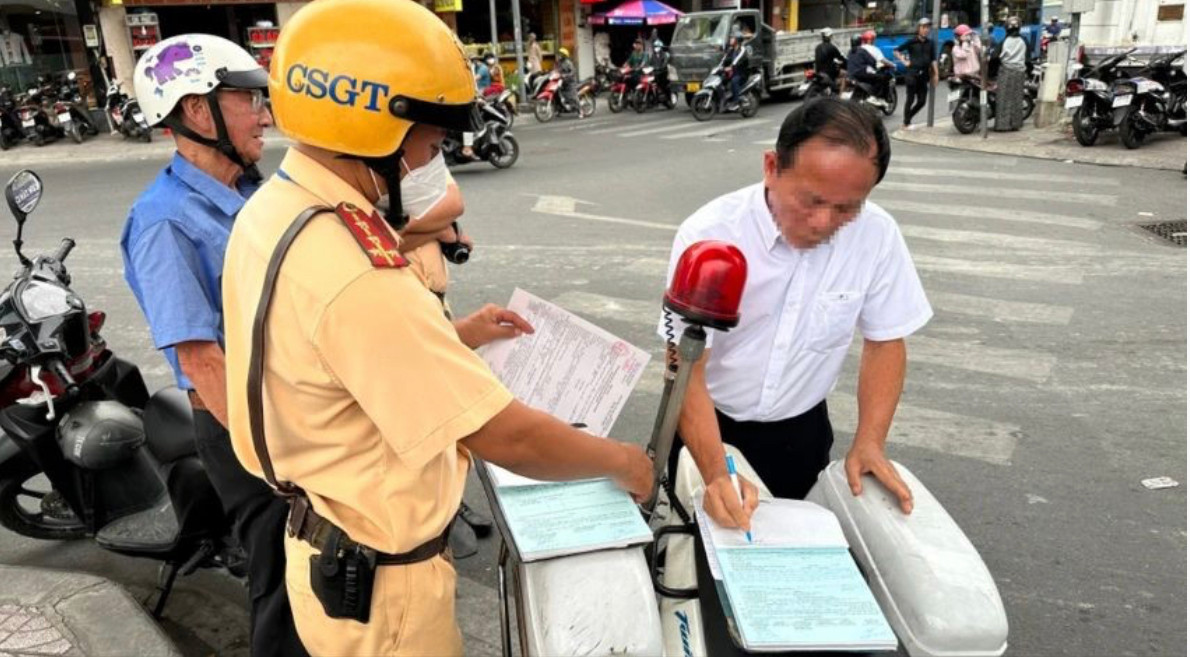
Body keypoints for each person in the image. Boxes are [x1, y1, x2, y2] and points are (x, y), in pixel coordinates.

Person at [222, 1, 654, 654]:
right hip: (386, 595)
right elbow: (507, 435)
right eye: (430, 140)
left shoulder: (278, 209)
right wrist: (625, 462)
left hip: (324, 540)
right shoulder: (353, 268)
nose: (435, 158)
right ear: (373, 130)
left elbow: (333, 362)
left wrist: (460, 334)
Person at [657, 97, 931, 536]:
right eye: (811, 200)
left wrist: (870, 441)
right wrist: (714, 471)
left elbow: (886, 340)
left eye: (846, 208)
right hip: (707, 427)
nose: (824, 222)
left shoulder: (877, 235)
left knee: (791, 562)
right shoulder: (710, 235)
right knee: (697, 561)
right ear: (771, 167)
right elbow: (685, 367)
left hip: (800, 433)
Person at [122, 35, 306, 657]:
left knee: (318, 571)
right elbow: (202, 361)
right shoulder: (164, 220)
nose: (262, 112)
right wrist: (274, 460)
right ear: (197, 111)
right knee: (281, 577)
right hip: (243, 424)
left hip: (293, 407)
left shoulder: (252, 191)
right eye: (247, 98)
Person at [895, 17, 939, 130]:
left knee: (922, 101)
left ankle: (907, 118)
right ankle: (906, 123)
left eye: (928, 28)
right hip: (912, 74)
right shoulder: (912, 41)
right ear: (919, 28)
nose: (926, 30)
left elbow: (933, 59)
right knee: (910, 99)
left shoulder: (931, 43)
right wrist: (904, 61)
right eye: (924, 27)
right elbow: (896, 50)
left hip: (924, 75)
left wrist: (936, 74)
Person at [995, 16, 1027, 131]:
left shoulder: (1004, 42)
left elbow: (995, 56)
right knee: (1017, 99)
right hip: (1020, 72)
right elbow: (1028, 58)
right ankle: (1015, 124)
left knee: (1003, 99)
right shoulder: (1024, 41)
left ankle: (1002, 125)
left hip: (1005, 72)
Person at [847, 30, 892, 107]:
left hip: (851, 76)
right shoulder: (862, 51)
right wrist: (876, 66)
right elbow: (872, 61)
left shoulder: (850, 51)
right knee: (882, 78)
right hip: (862, 75)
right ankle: (873, 97)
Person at [720, 35, 749, 110]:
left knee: (734, 81)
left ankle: (736, 102)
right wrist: (719, 66)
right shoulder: (731, 49)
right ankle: (725, 100)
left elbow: (737, 60)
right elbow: (724, 59)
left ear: (737, 41)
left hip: (742, 73)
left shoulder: (742, 49)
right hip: (733, 72)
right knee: (721, 80)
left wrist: (731, 67)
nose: (730, 40)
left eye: (733, 38)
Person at [556, 46, 579, 111]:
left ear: (564, 55)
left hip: (570, 81)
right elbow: (557, 70)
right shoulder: (559, 62)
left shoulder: (568, 63)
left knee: (573, 96)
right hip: (563, 81)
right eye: (559, 54)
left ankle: (580, 110)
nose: (559, 55)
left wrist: (566, 75)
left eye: (560, 54)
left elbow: (573, 72)